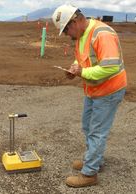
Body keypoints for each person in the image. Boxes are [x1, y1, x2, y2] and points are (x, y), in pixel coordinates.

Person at [52, 4, 127, 187]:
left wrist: (82, 73)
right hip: (94, 90)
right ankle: (94, 161)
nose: (67, 34)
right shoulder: (82, 34)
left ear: (76, 21)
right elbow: (82, 57)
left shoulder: (102, 34)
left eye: (66, 29)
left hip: (109, 90)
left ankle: (90, 174)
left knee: (97, 132)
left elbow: (111, 67)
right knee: (87, 127)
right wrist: (74, 68)